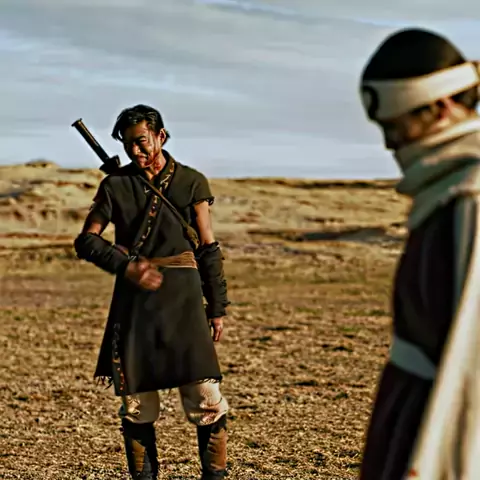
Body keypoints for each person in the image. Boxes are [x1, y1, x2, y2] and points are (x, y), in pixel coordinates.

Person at [73, 104, 230, 480]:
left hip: (185, 301)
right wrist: (127, 266)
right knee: (137, 407)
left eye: (141, 141)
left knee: (206, 399)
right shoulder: (115, 186)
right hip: (135, 304)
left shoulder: (191, 182)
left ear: (160, 136)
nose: (135, 150)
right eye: (128, 144)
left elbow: (207, 247)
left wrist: (217, 306)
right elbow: (87, 240)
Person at [358, 28, 480, 479]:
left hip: (439, 418)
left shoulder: (472, 196)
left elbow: (473, 359)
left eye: (396, 125)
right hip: (411, 405)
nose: (390, 144)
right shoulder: (448, 185)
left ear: (441, 108)